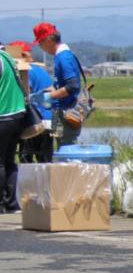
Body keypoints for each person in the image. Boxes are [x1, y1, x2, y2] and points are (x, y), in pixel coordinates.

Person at [32, 22, 84, 147]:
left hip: (67, 111)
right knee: (57, 142)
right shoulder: (58, 56)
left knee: (66, 147)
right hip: (58, 111)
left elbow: (72, 86)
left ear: (49, 40)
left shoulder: (64, 57)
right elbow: (59, 84)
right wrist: (44, 93)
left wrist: (50, 97)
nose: (40, 46)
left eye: (40, 42)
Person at [6, 42, 53, 164]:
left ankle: (28, 183)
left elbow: (24, 94)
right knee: (45, 159)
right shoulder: (41, 70)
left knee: (25, 158)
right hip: (48, 119)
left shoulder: (26, 71)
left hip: (34, 121)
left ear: (23, 55)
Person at [0, 47, 27, 212]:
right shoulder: (8, 57)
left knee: (0, 162)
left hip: (2, 115)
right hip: (17, 116)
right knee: (9, 161)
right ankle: (11, 204)